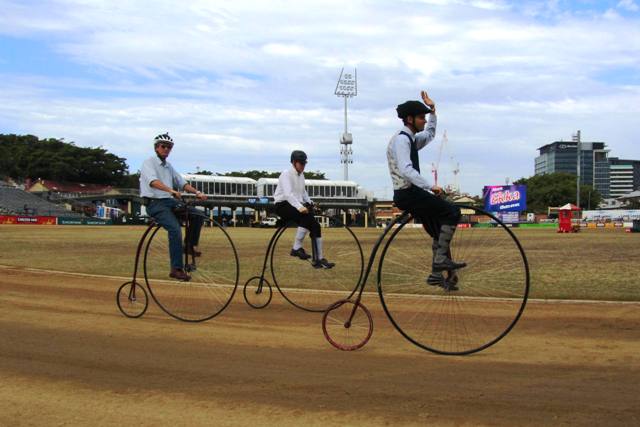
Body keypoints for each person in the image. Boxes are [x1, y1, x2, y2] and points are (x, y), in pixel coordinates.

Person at [386, 91, 465, 290]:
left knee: (439, 233)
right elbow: (406, 169)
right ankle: (439, 263)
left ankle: (437, 275)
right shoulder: (402, 140)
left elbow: (429, 134)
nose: (424, 121)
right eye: (421, 117)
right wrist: (430, 186)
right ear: (410, 119)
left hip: (413, 193)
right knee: (452, 212)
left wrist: (433, 111)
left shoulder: (411, 138)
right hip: (408, 193)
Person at [140, 133, 208, 281]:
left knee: (197, 215)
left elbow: (182, 183)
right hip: (155, 203)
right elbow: (153, 182)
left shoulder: (168, 167)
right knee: (175, 229)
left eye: (169, 147)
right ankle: (176, 268)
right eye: (163, 146)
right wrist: (170, 190)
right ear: (156, 147)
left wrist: (197, 192)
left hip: (169, 202)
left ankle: (189, 245)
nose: (166, 149)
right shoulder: (149, 163)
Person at [273, 150, 335, 269]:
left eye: (304, 163)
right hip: (282, 205)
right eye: (301, 163)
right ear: (294, 163)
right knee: (306, 217)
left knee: (315, 226)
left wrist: (311, 203)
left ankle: (319, 259)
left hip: (294, 205)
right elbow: (288, 194)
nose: (303, 166)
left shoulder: (301, 176)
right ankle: (296, 248)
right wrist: (300, 207)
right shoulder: (286, 174)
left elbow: (303, 192)